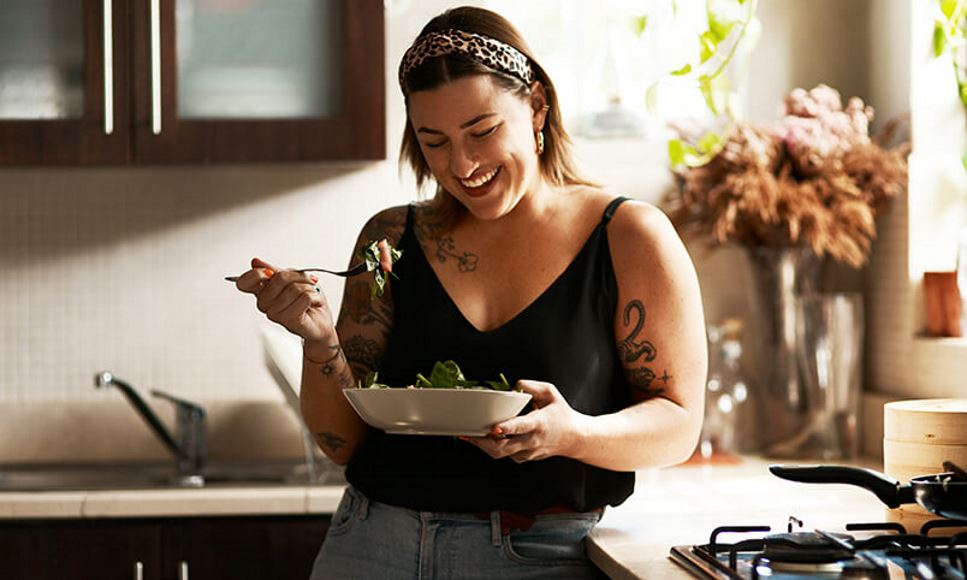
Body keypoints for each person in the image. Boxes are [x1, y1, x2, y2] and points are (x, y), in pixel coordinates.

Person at [234, 6, 707, 579]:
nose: (462, 165)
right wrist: (319, 341)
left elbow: (679, 425)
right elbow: (342, 443)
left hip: (540, 557)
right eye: (434, 142)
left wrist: (571, 433)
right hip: (369, 543)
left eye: (482, 132)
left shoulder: (627, 237)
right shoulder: (391, 239)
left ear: (536, 105)